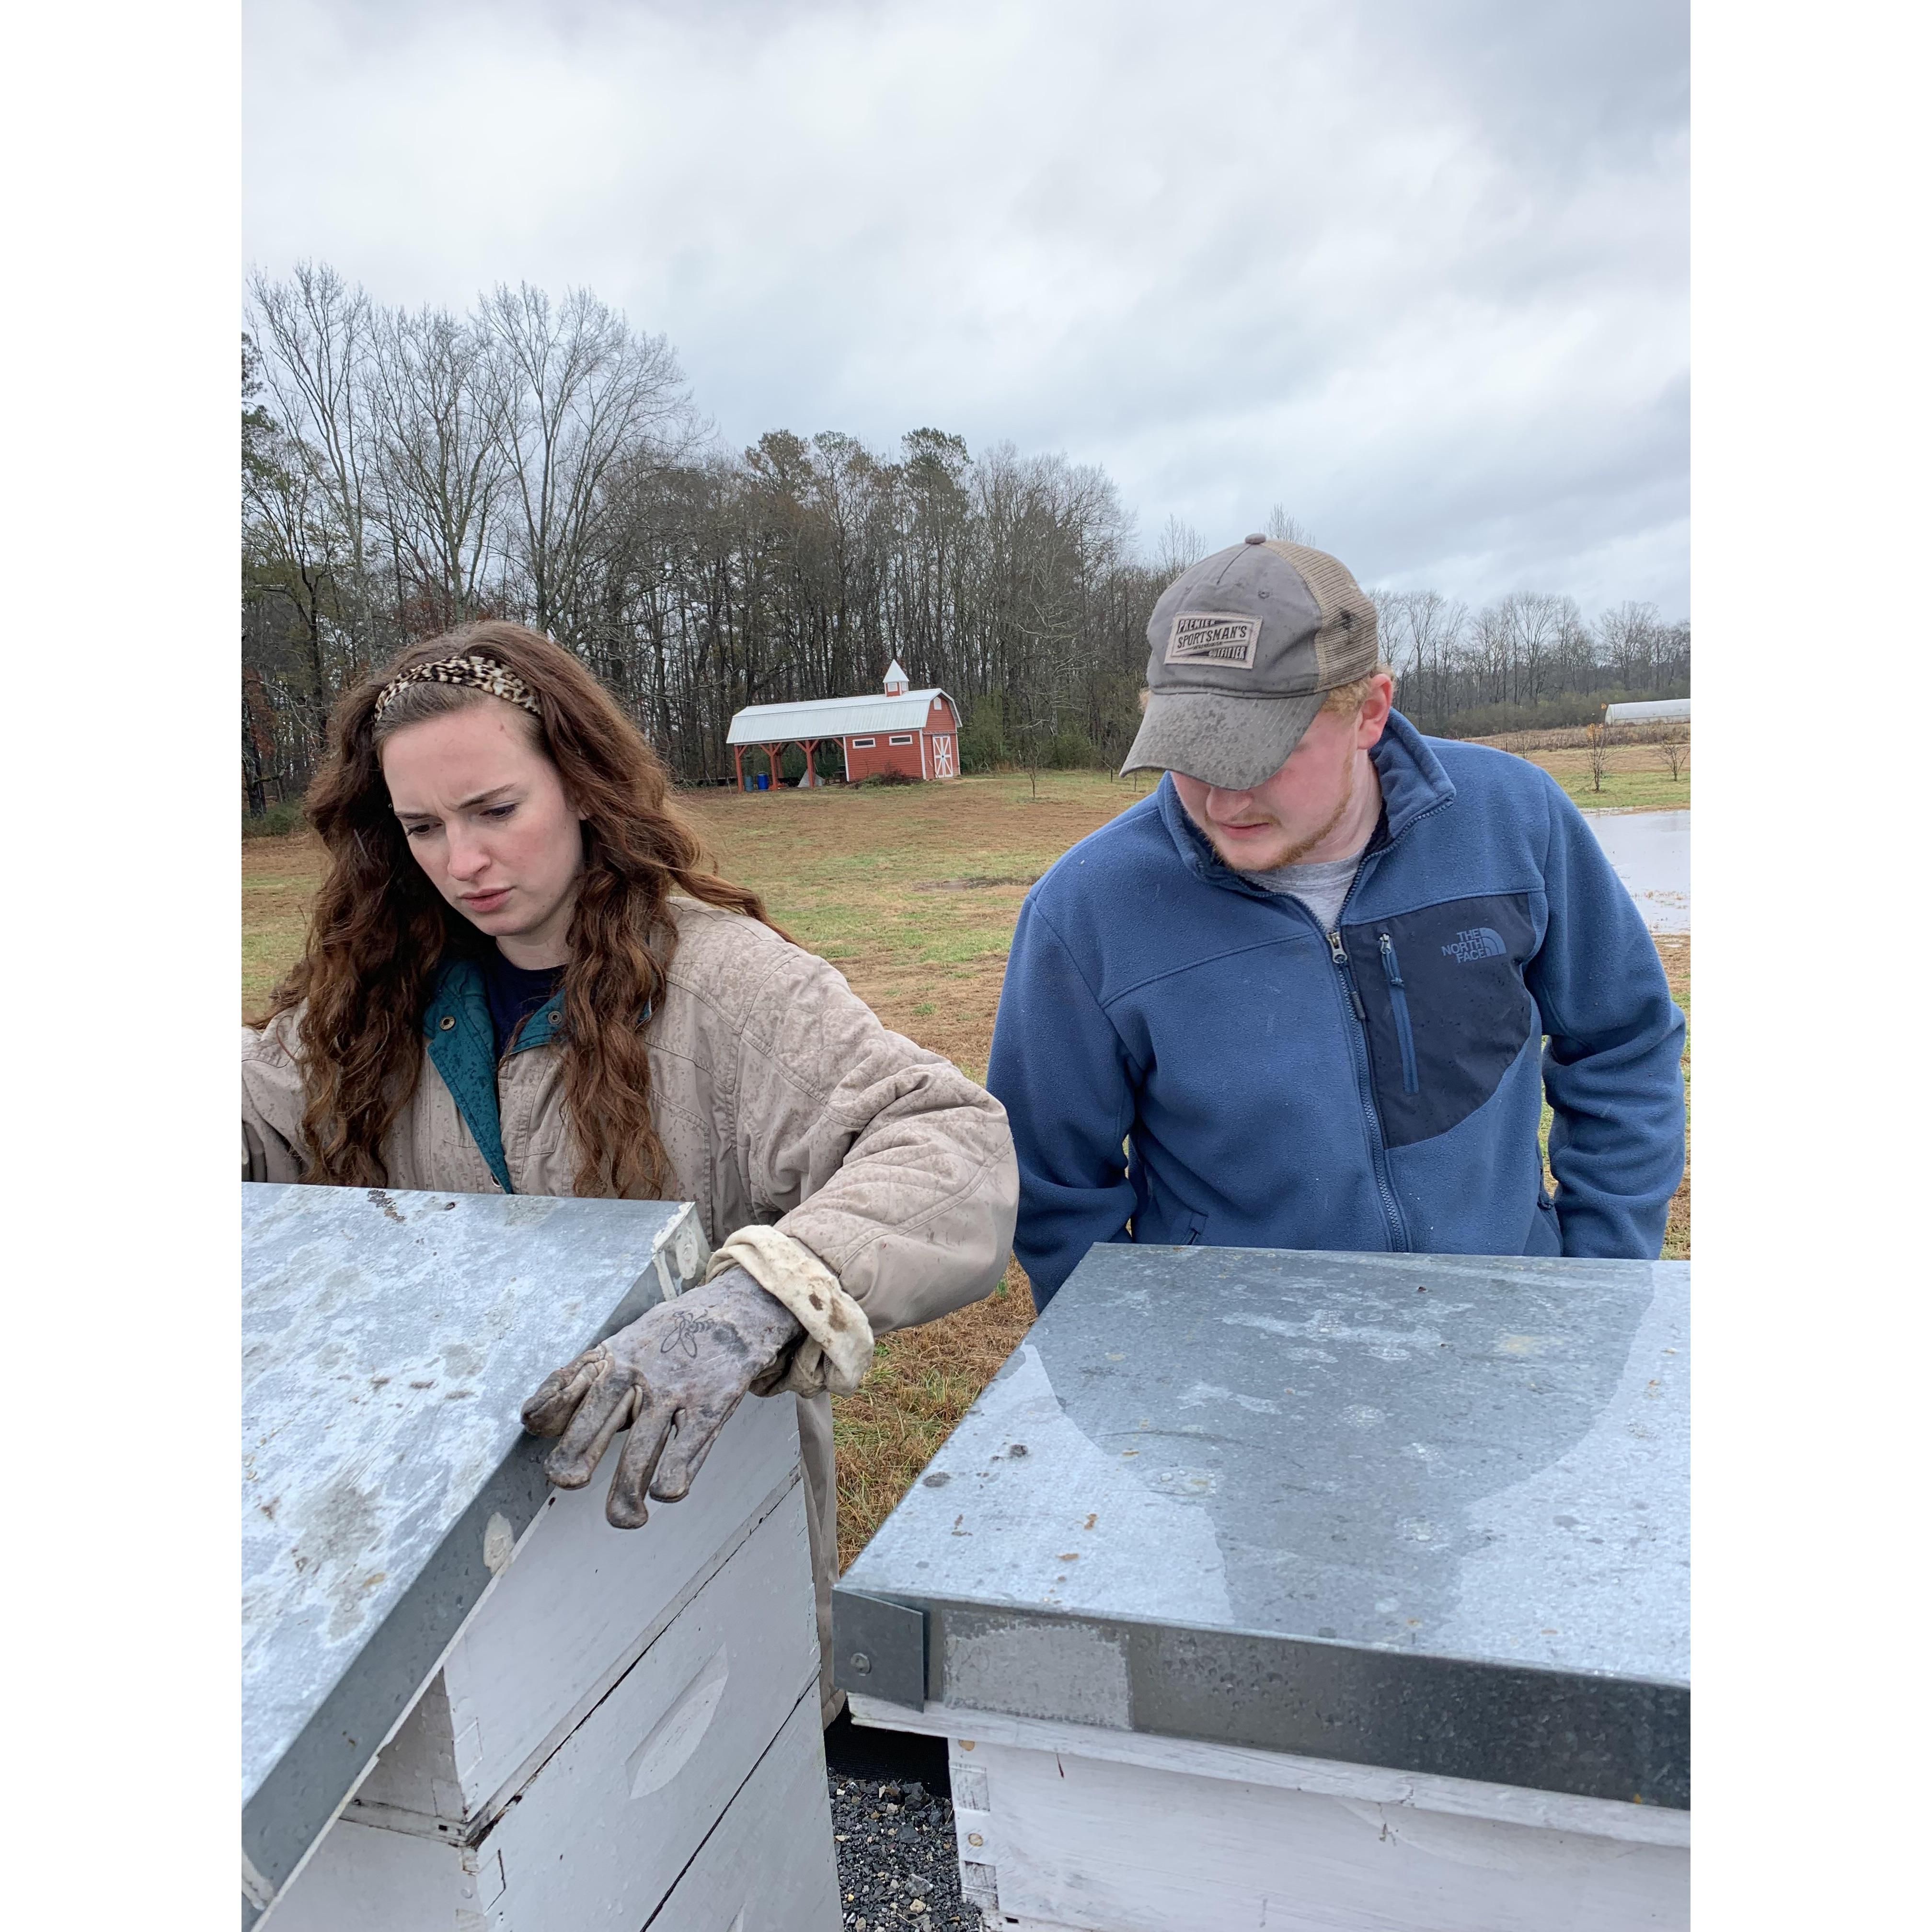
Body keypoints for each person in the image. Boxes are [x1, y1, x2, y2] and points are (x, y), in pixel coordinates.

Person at [242, 622, 1018, 1720]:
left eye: (496, 811)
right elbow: (253, 1108)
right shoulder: (372, 998)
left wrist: (763, 1295)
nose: (463, 862)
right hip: (450, 1548)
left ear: (581, 783)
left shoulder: (729, 984)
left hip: (691, 1535)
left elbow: (952, 1144)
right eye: (422, 826)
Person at [987, 534, 1684, 1307]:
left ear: (1370, 712)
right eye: (1187, 755)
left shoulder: (1515, 820)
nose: (1221, 801)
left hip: (1506, 1332)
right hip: (1235, 1375)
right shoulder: (1086, 909)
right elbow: (1053, 1185)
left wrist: (1598, 1278)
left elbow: (1622, 1041)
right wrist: (1142, 1360)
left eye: (1260, 756)